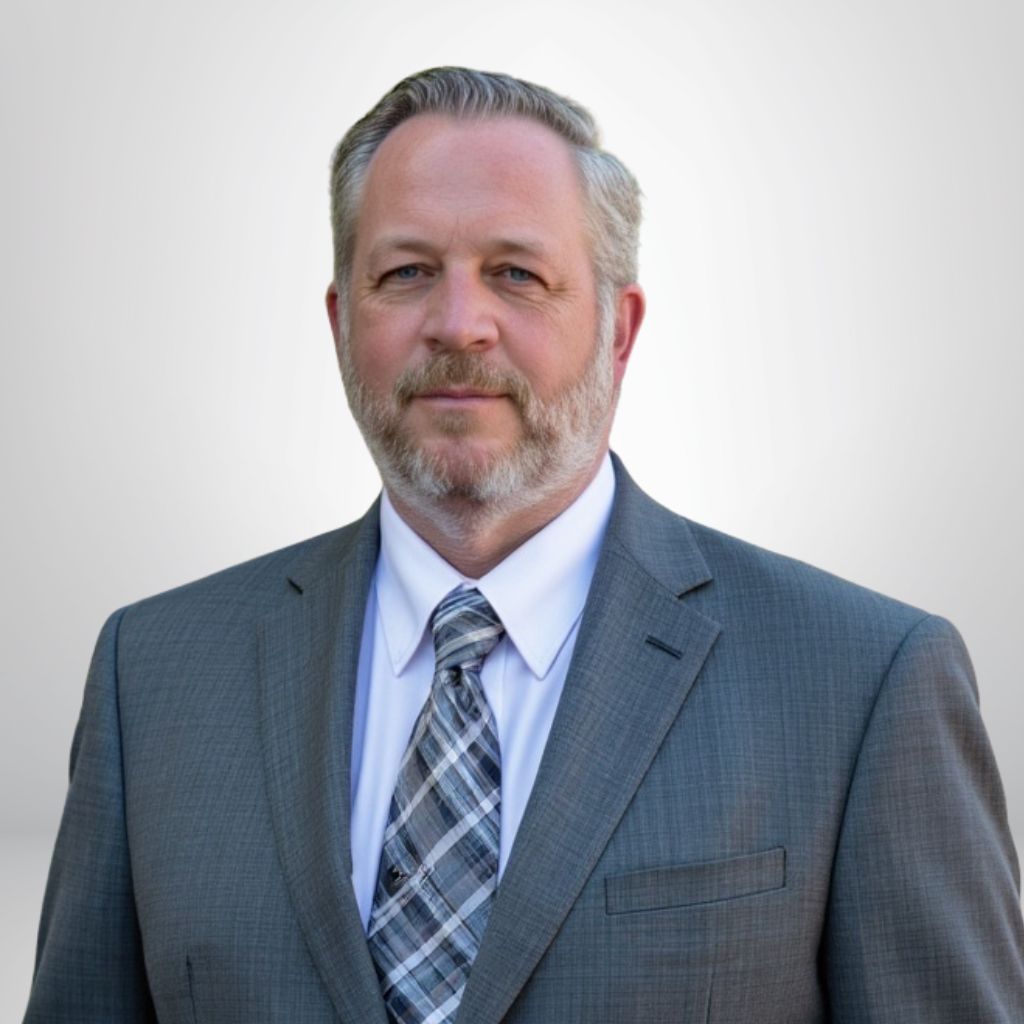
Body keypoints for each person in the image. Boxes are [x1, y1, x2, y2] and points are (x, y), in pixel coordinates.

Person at [24, 67, 1024, 1024]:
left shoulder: (861, 686)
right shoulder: (153, 678)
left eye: (517, 273)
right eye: (407, 272)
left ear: (618, 331)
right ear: (339, 325)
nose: (459, 324)